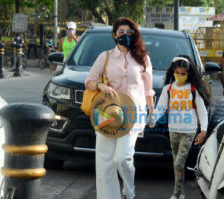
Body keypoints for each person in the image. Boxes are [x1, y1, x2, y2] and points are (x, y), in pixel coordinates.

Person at [85, 17, 154, 199]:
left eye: (128, 32)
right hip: (107, 112)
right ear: (114, 35)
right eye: (121, 32)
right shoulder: (105, 57)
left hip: (133, 114)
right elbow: (89, 81)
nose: (125, 35)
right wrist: (101, 86)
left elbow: (148, 89)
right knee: (105, 162)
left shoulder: (143, 58)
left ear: (134, 34)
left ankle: (129, 192)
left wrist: (151, 112)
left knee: (122, 158)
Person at [148, 55, 209, 199]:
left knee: (179, 162)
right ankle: (181, 193)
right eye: (177, 73)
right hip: (173, 130)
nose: (180, 76)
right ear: (173, 72)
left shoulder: (193, 90)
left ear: (189, 74)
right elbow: (161, 108)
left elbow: (202, 111)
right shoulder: (168, 89)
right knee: (177, 164)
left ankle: (176, 195)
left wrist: (203, 130)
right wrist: (153, 119)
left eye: (183, 74)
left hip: (188, 132)